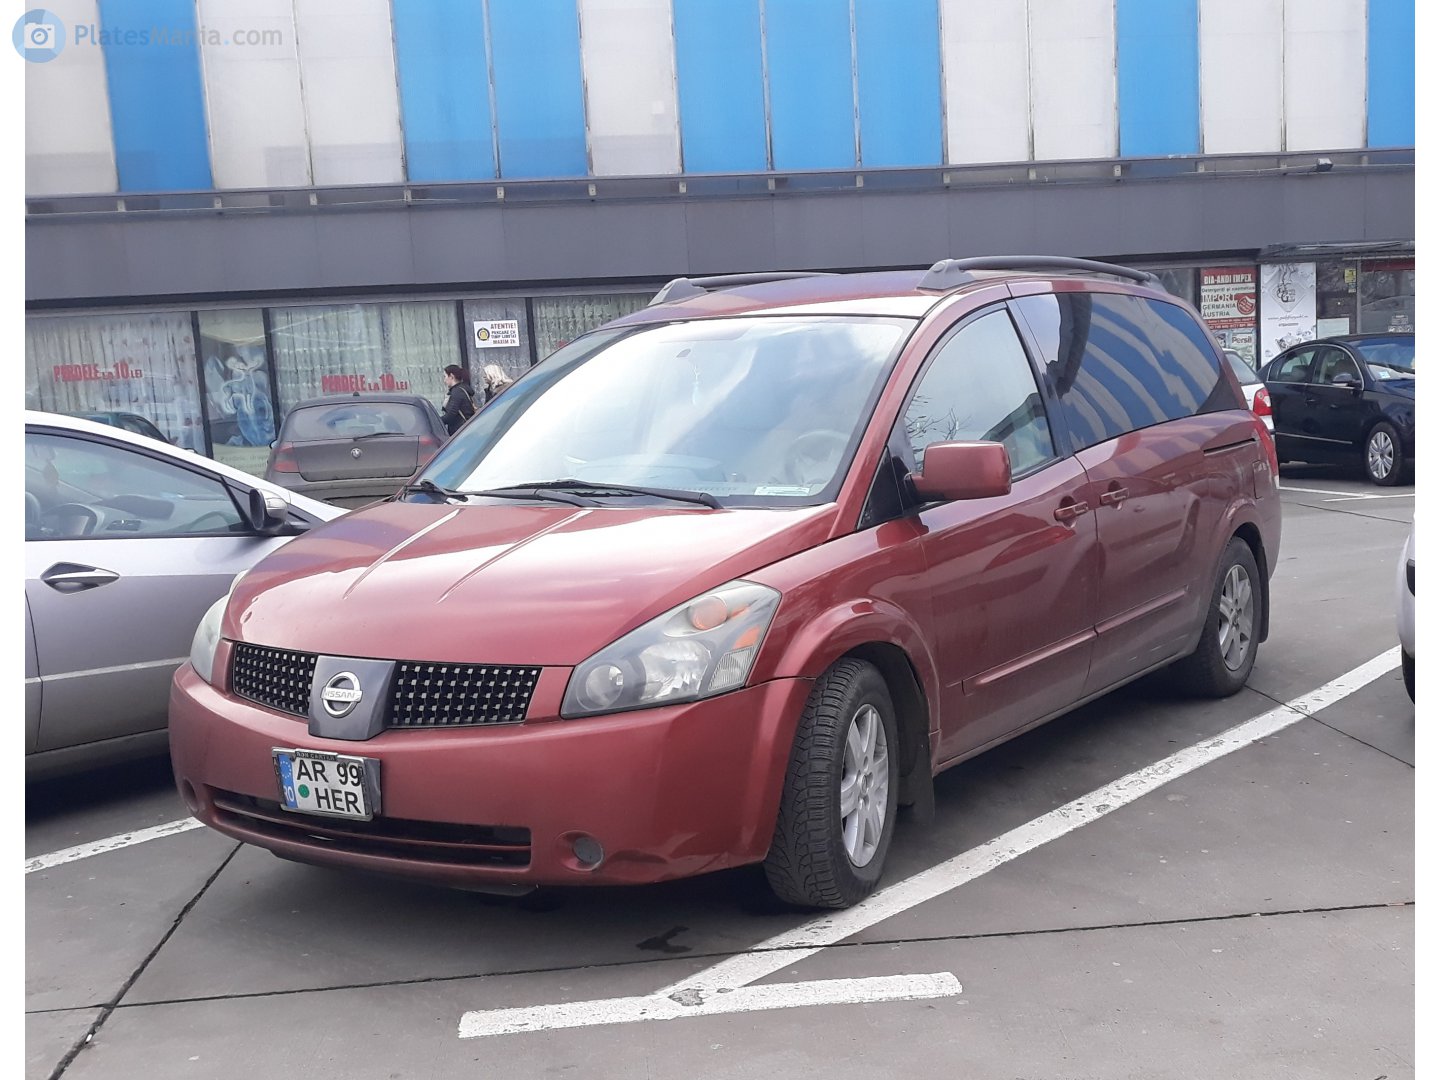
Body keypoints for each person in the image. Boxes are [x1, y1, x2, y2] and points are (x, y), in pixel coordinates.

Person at [440, 364, 477, 435]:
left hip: (460, 431)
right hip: (465, 429)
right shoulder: (462, 389)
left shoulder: (457, 392)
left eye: (445, 377)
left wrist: (436, 422)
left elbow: (451, 415)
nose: (444, 380)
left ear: (451, 376)